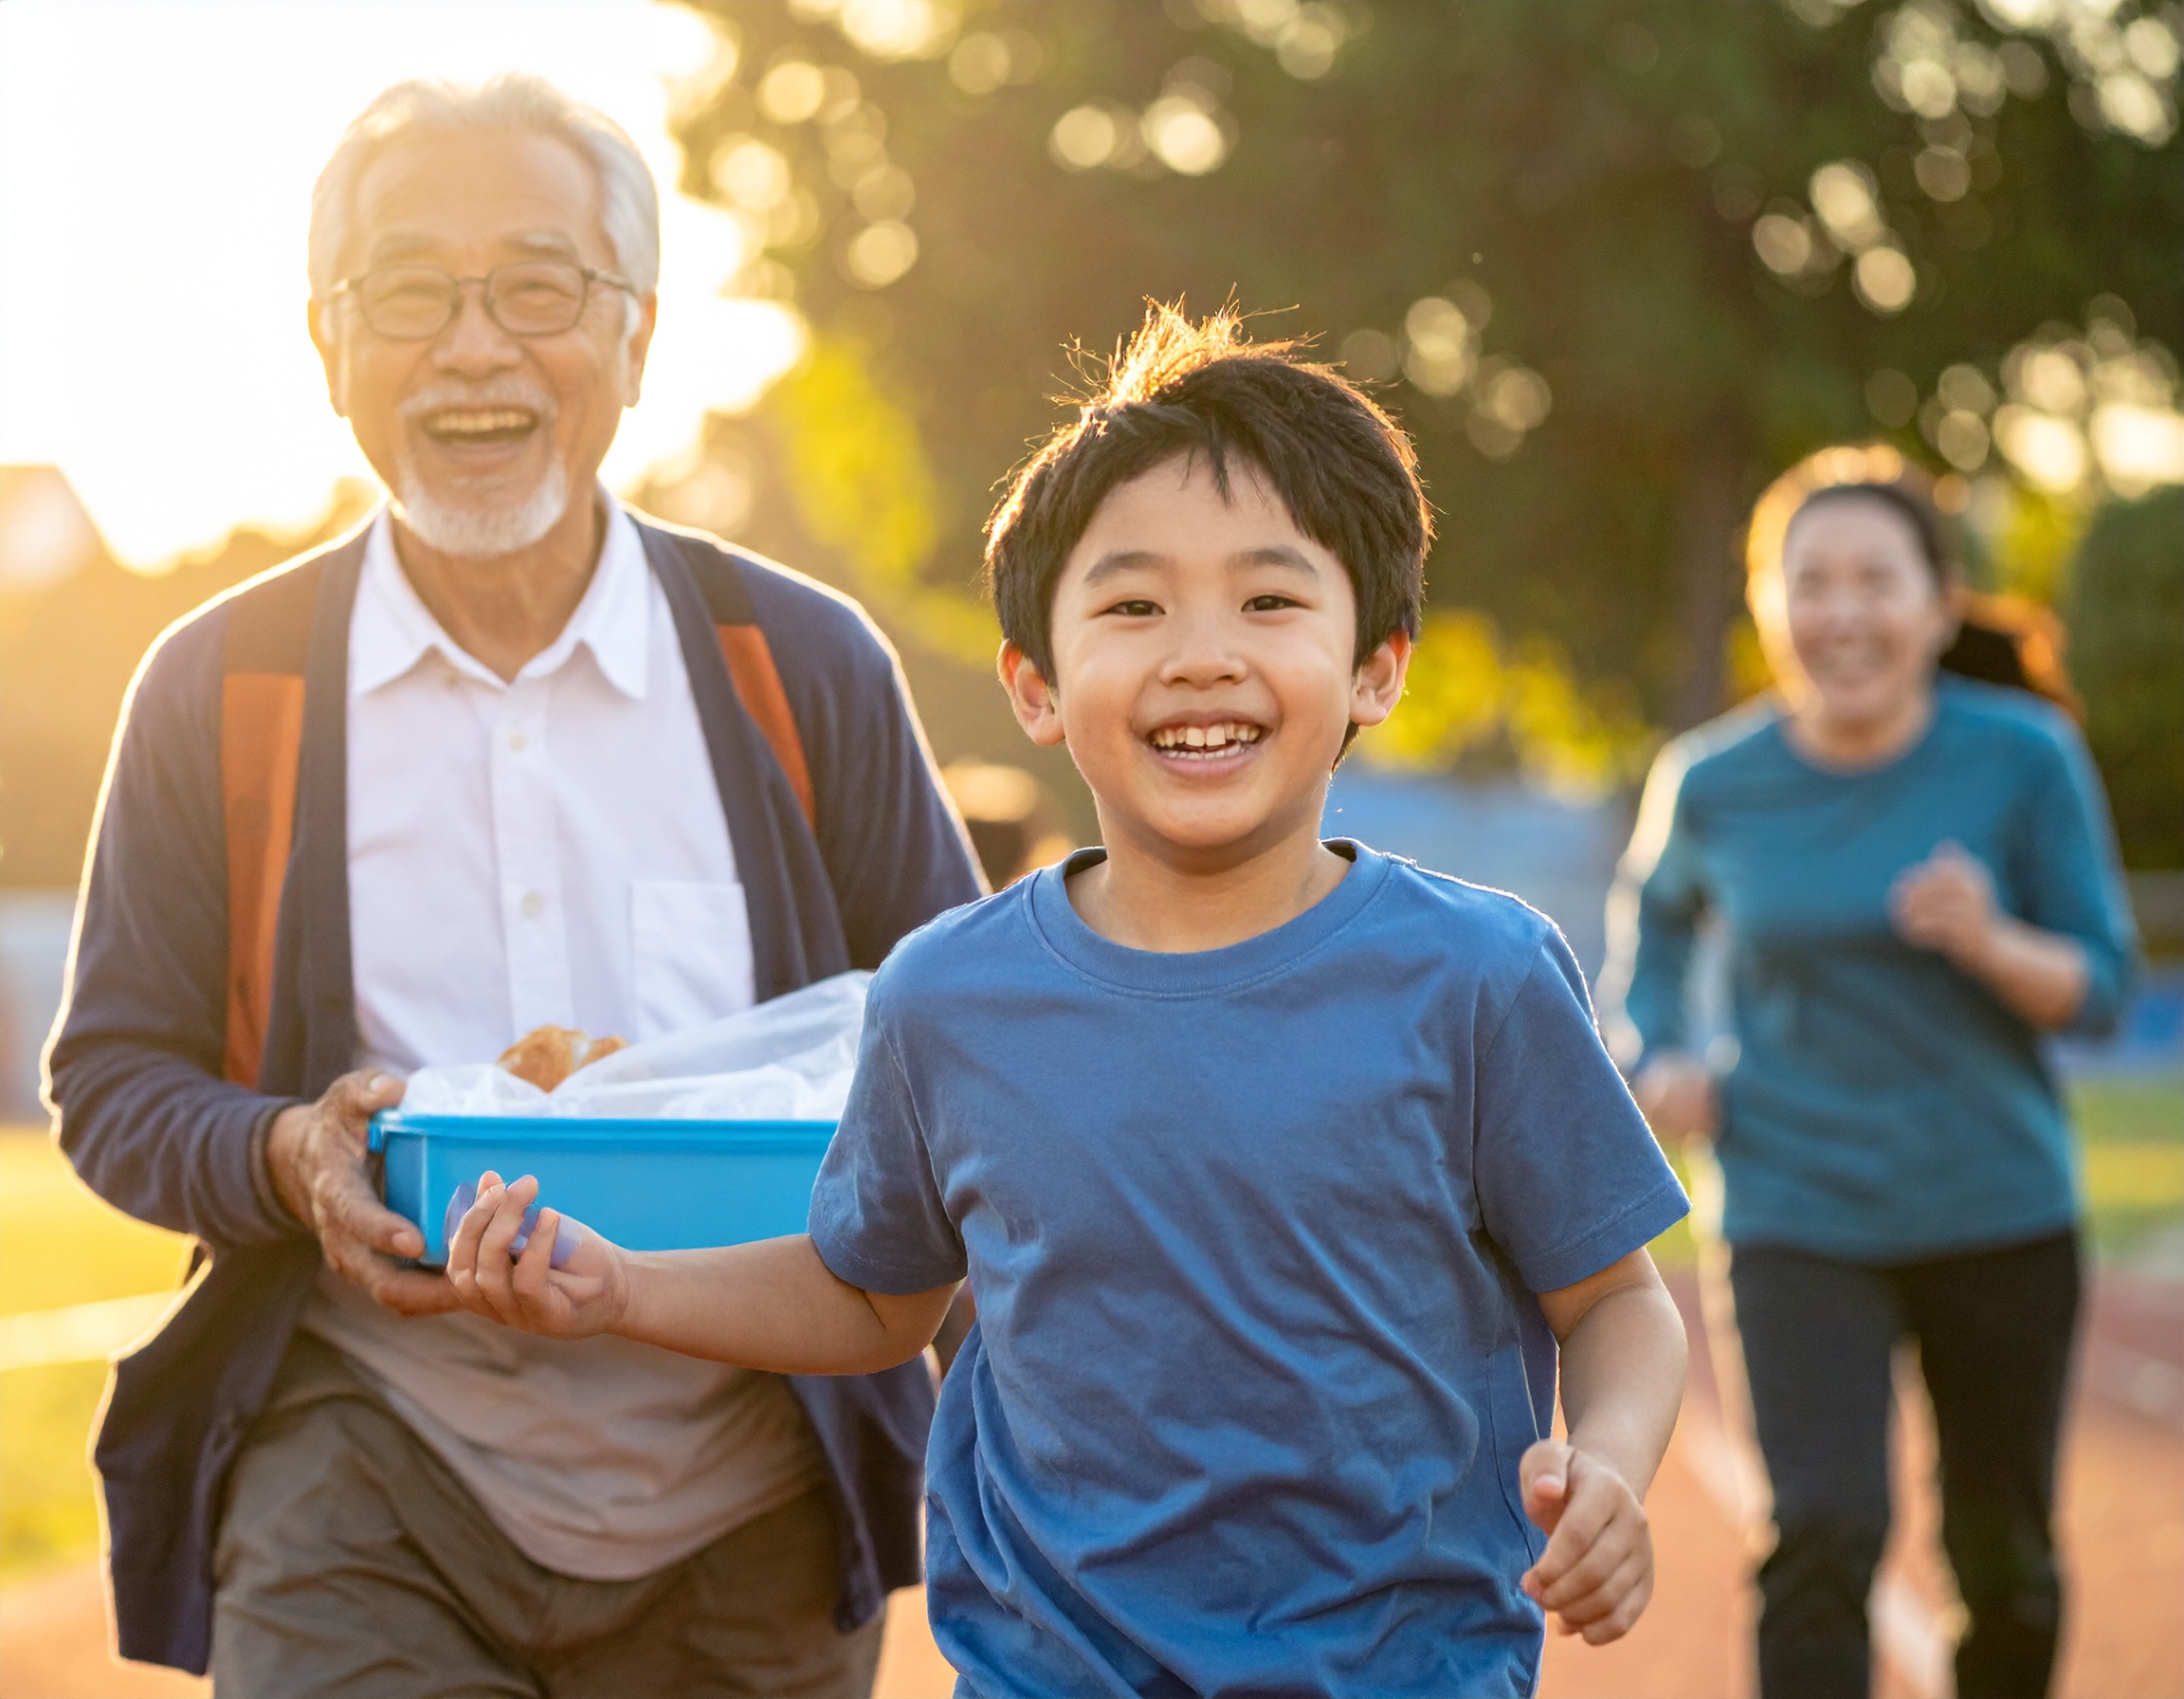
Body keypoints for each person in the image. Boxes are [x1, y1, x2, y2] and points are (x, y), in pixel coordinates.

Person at [444, 306, 1693, 1698]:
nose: (1201, 652)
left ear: (1375, 668)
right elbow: (873, 1299)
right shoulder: (946, 994)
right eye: (1134, 604)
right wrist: (617, 1288)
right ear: (1036, 686)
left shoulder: (1482, 977)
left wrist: (1615, 1471)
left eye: (1270, 600)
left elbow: (1620, 1302)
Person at [46, 76, 982, 1695]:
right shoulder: (221, 688)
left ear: (635, 335)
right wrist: (285, 1154)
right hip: (369, 1473)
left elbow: (986, 1055)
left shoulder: (800, 664)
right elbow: (111, 1081)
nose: (475, 345)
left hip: (750, 1496)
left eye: (540, 286)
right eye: (409, 290)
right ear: (330, 347)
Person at [1600, 445, 2138, 1699]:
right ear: (1768, 605)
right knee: (1822, 1534)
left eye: (1875, 581)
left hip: (1995, 1206)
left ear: (1939, 603)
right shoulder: (1714, 782)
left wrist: (1990, 937)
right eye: (1812, 582)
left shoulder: (2022, 758)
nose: (1842, 613)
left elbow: (2103, 986)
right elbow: (1652, 945)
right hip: (1795, 1205)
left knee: (2003, 1561)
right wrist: (1661, 1053)